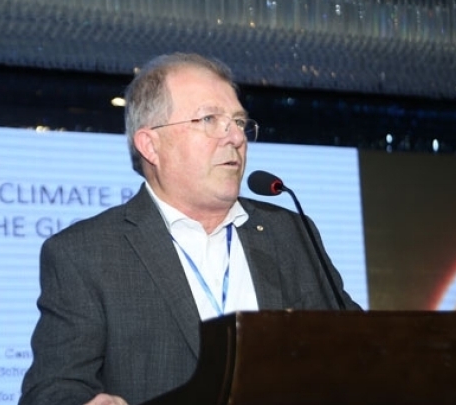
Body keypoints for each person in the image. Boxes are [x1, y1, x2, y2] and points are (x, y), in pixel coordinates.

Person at [19, 53, 360, 405]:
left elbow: (360, 345)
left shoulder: (288, 231)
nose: (235, 138)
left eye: (240, 122)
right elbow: (52, 390)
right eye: (209, 119)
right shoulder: (86, 253)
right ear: (151, 145)